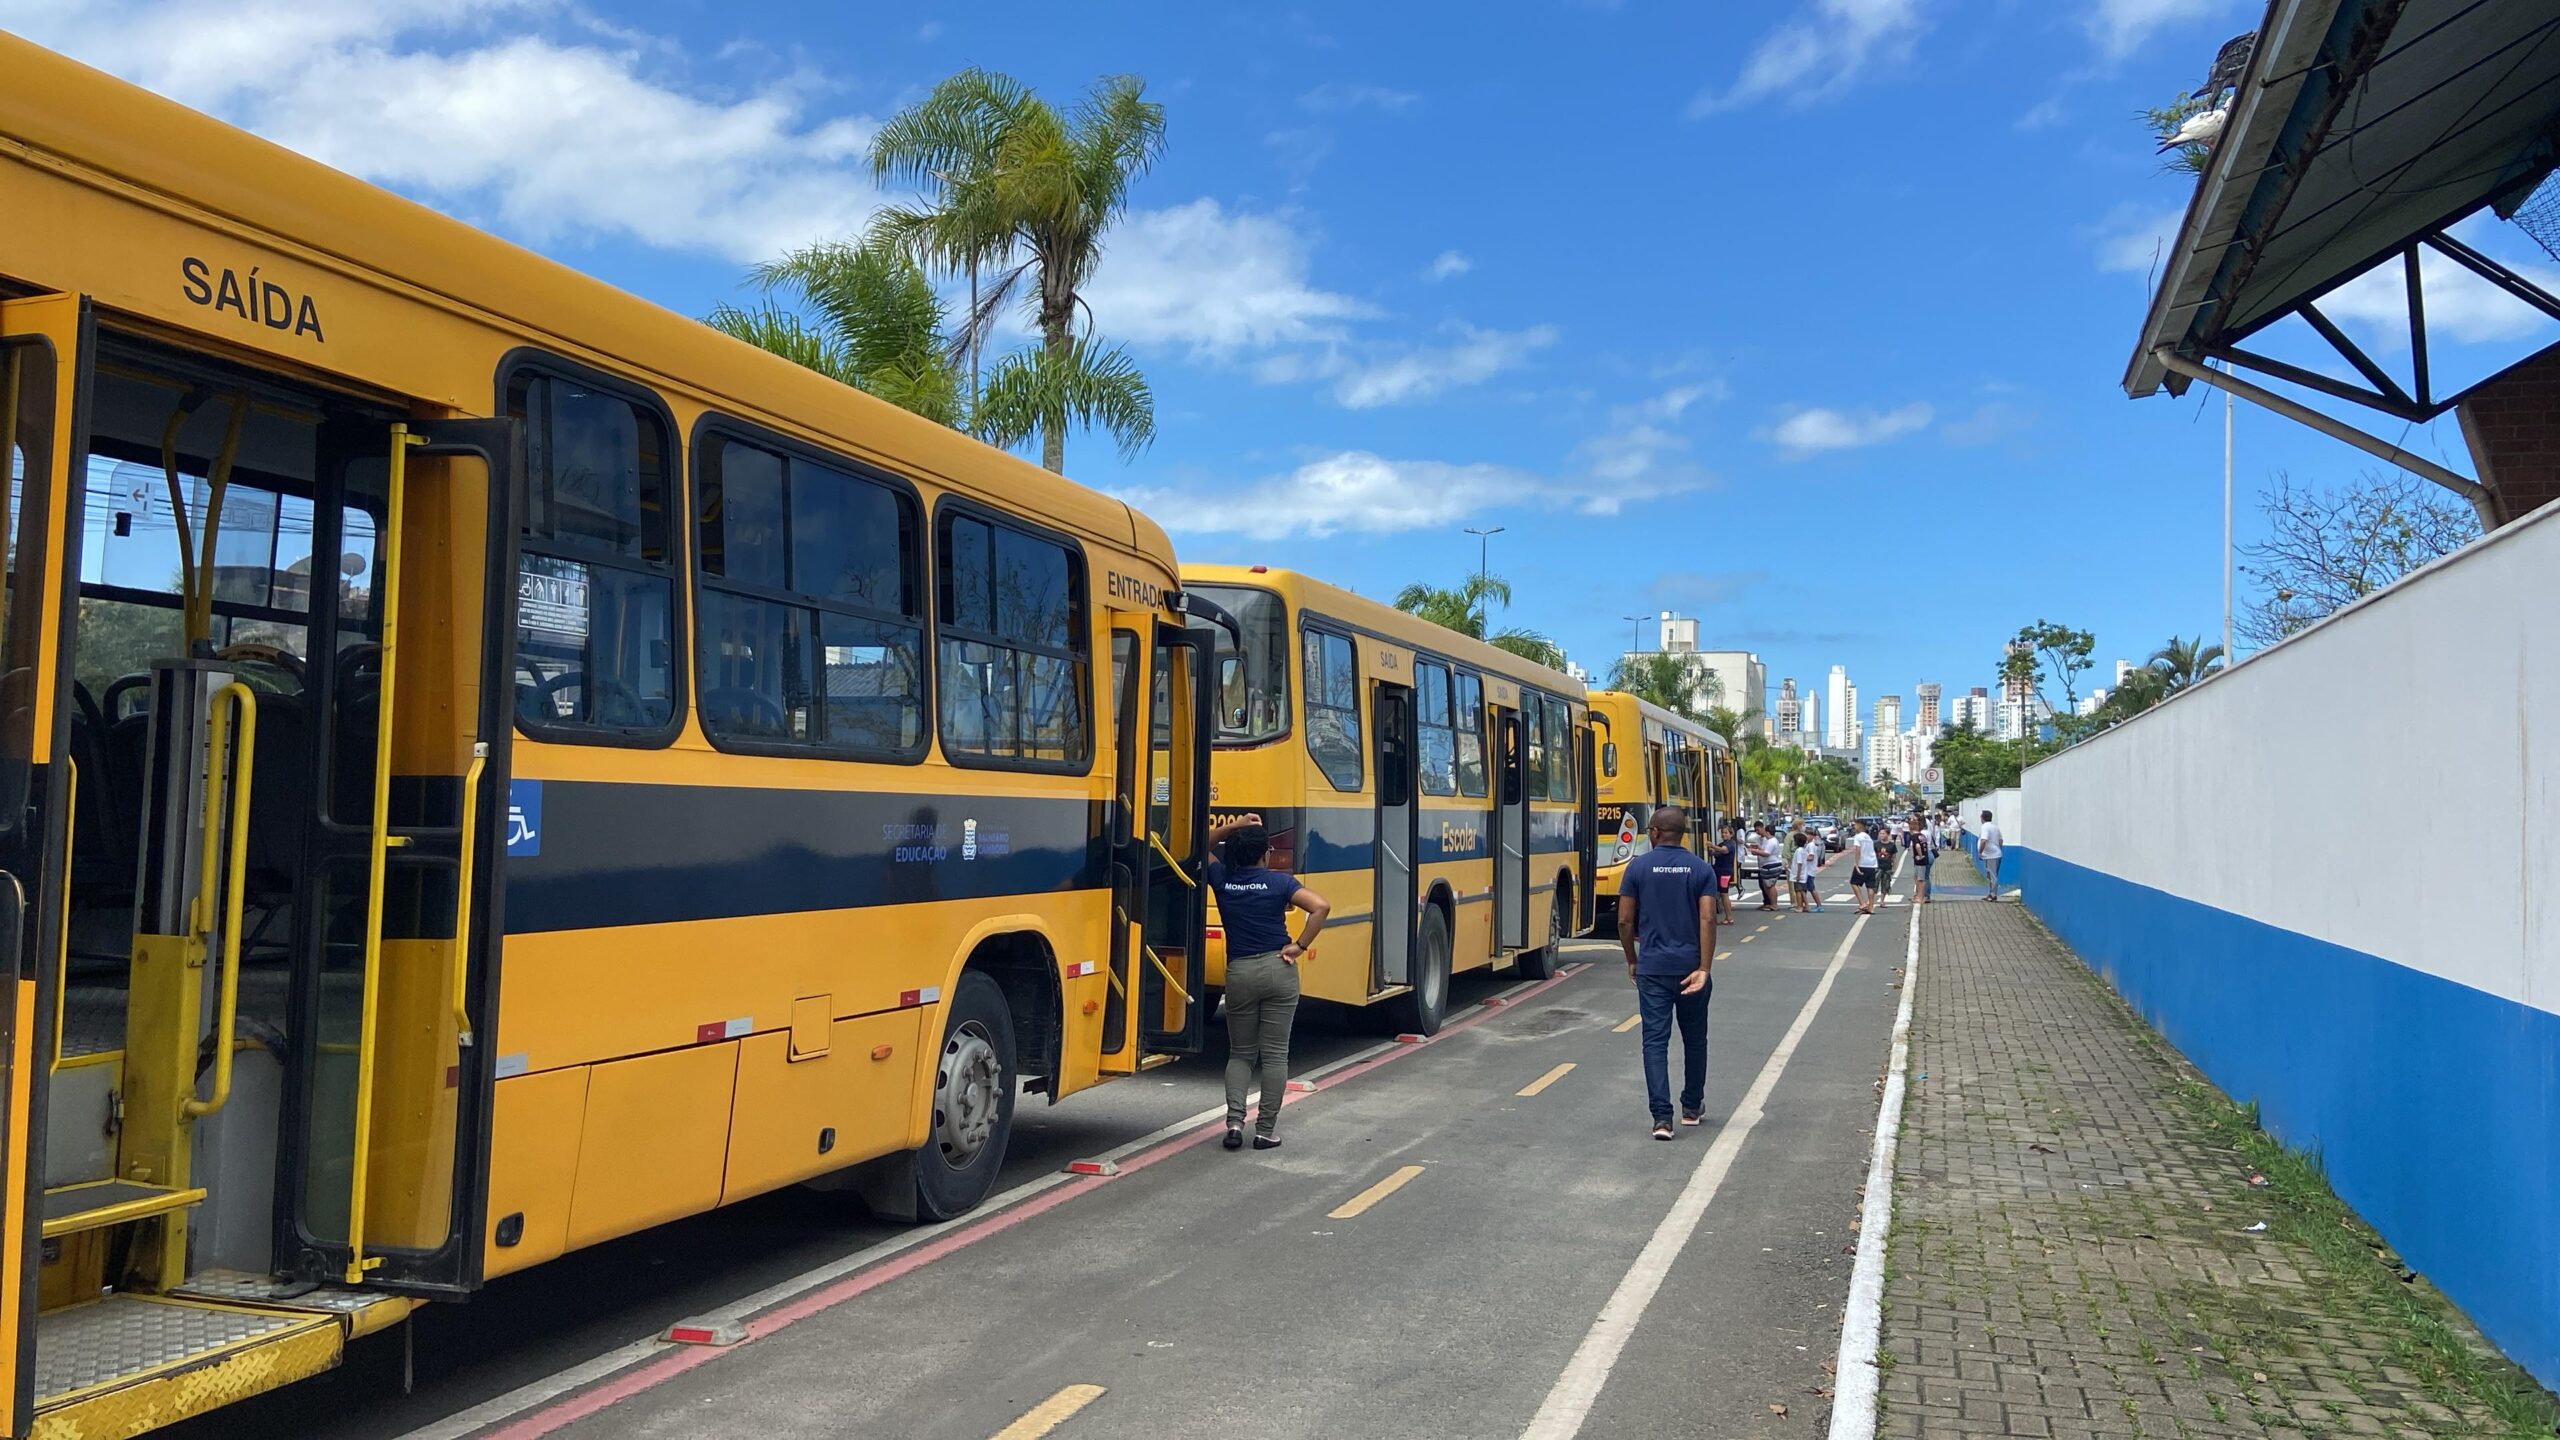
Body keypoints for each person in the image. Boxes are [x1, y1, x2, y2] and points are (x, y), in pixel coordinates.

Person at [1205, 814, 1330, 1149]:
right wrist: (1300, 945)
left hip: (1240, 972)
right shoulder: (1279, 883)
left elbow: (1199, 844)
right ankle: (1264, 1131)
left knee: (1241, 1053)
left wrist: (1236, 826)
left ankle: (1233, 1125)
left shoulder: (1222, 878)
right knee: (1275, 1056)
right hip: (1279, 967)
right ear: (1267, 854)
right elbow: (1320, 907)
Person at [1614, 805, 1716, 1141]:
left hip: (1653, 968)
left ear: (1656, 832)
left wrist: (1633, 959)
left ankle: (1661, 1118)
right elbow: (1707, 919)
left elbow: (1625, 920)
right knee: (1694, 1038)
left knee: (1655, 1042)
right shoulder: (1701, 869)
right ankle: (1691, 1106)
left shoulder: (1637, 868)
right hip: (1690, 968)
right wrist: (1703, 967)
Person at [1709, 817, 1741, 924]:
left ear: (1731, 834)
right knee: (1721, 894)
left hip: (1725, 873)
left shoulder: (1730, 844)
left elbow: (1724, 851)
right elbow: (1716, 852)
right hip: (1719, 871)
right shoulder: (1722, 843)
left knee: (1724, 894)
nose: (1724, 835)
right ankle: (1727, 917)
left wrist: (1712, 846)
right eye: (1723, 833)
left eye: (1726, 833)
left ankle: (1729, 917)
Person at [1847, 819, 1880, 915]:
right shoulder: (1868, 837)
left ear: (1860, 826)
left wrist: (1856, 864)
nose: (1854, 827)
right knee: (1870, 886)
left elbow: (1858, 850)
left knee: (1854, 883)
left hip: (1862, 863)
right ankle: (1871, 907)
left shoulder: (1858, 837)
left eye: (1855, 825)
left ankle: (1862, 903)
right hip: (1872, 863)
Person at [1754, 823, 1784, 912]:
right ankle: (1771, 903)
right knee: (1766, 885)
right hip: (1768, 865)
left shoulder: (1771, 841)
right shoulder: (1772, 841)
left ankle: (1774, 904)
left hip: (1771, 865)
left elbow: (1766, 853)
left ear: (1768, 832)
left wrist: (1756, 851)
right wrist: (1758, 849)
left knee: (1770, 885)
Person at [1977, 809, 2005, 901]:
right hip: (1996, 854)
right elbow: (2001, 840)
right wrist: (1998, 848)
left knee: (1992, 876)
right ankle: (1991, 893)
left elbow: (1984, 840)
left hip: (1990, 855)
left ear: (1982, 818)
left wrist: (1980, 852)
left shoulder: (1985, 827)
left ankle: (1993, 895)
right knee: (1991, 875)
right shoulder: (1995, 827)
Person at [1793, 828, 1823, 913]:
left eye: (1807, 835)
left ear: (1812, 836)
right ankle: (1804, 904)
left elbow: (1811, 857)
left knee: (1811, 888)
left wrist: (1803, 857)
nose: (1806, 837)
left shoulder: (1810, 846)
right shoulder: (1808, 845)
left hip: (1809, 871)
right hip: (1807, 871)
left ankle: (1819, 905)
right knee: (1804, 889)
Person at [1906, 814, 1933, 904]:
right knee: (1919, 878)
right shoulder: (1922, 835)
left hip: (1920, 860)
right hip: (1924, 859)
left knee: (1921, 879)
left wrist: (1919, 855)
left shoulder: (1914, 836)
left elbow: (1917, 846)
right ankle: (1919, 896)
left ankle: (1921, 897)